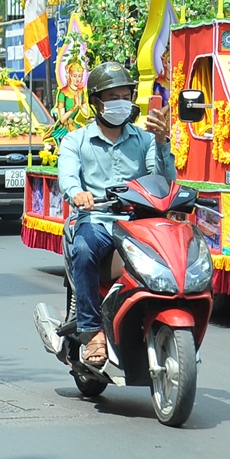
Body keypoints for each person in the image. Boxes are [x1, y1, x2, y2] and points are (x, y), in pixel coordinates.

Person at [57, 62, 173, 367]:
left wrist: (162, 143)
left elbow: (163, 182)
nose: (121, 103)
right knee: (83, 249)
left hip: (139, 224)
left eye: (125, 96)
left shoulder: (146, 139)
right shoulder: (75, 141)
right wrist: (77, 193)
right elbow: (67, 177)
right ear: (96, 102)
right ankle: (91, 329)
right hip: (97, 221)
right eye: (112, 97)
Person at [50, 61, 88, 141]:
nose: (77, 79)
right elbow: (62, 119)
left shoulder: (81, 92)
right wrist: (74, 107)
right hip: (63, 128)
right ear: (70, 75)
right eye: (75, 76)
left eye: (80, 76)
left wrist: (80, 105)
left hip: (74, 125)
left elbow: (86, 113)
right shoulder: (63, 93)